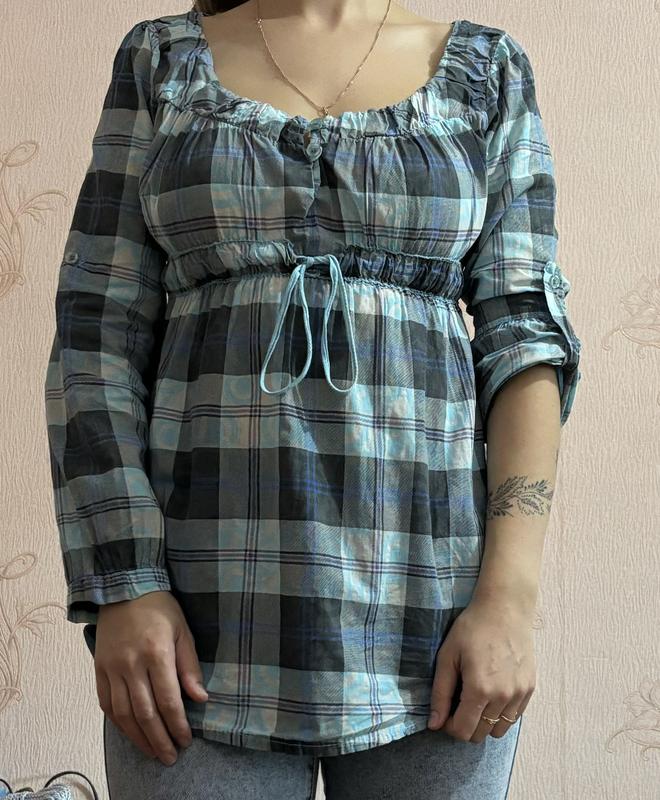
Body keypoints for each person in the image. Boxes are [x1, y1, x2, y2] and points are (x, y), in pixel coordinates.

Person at [44, 0, 582, 797]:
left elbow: (527, 342)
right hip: (190, 641)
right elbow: (96, 334)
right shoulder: (161, 61)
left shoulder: (488, 72)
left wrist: (509, 601)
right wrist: (125, 585)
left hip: (437, 639)